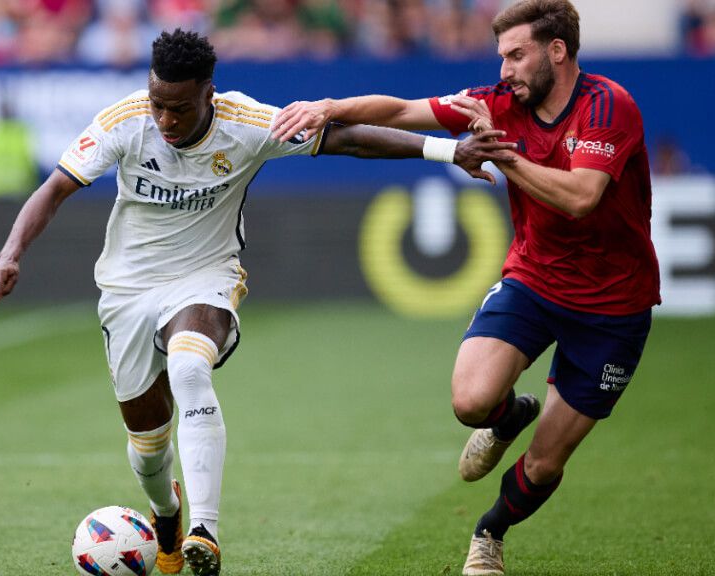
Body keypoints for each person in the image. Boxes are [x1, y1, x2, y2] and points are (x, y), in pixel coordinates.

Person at [0, 29, 513, 576]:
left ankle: (204, 530)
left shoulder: (250, 124)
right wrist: (9, 255)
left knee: (188, 364)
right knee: (147, 446)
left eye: (179, 109)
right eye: (158, 104)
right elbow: (53, 189)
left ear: (210, 94)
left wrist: (448, 150)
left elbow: (347, 138)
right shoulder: (125, 122)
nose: (165, 120)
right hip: (127, 289)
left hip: (205, 277)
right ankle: (168, 515)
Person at [271, 1, 660, 574]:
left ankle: (489, 532)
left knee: (548, 463)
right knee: (470, 402)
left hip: (614, 306)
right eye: (501, 55)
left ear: (557, 51)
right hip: (535, 279)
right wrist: (329, 106)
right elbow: (404, 110)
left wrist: (499, 152)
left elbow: (580, 198)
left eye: (517, 54)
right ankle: (507, 417)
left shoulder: (608, 107)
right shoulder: (500, 102)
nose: (505, 69)